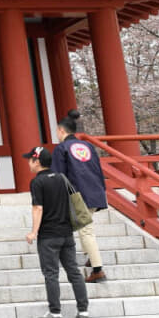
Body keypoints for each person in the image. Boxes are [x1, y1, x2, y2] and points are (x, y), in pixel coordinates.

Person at [24, 146, 89, 318]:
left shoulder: (37, 182)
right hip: (67, 232)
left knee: (51, 273)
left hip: (48, 235)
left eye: (30, 160)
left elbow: (38, 207)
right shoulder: (61, 178)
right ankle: (83, 310)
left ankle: (55, 311)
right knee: (74, 271)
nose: (28, 163)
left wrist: (33, 232)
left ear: (37, 161)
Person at [52, 109, 109, 282]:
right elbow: (98, 170)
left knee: (85, 231)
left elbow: (58, 176)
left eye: (57, 131)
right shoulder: (88, 146)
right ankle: (91, 257)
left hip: (77, 194)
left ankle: (98, 269)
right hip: (94, 191)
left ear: (62, 130)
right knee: (86, 227)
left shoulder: (62, 148)